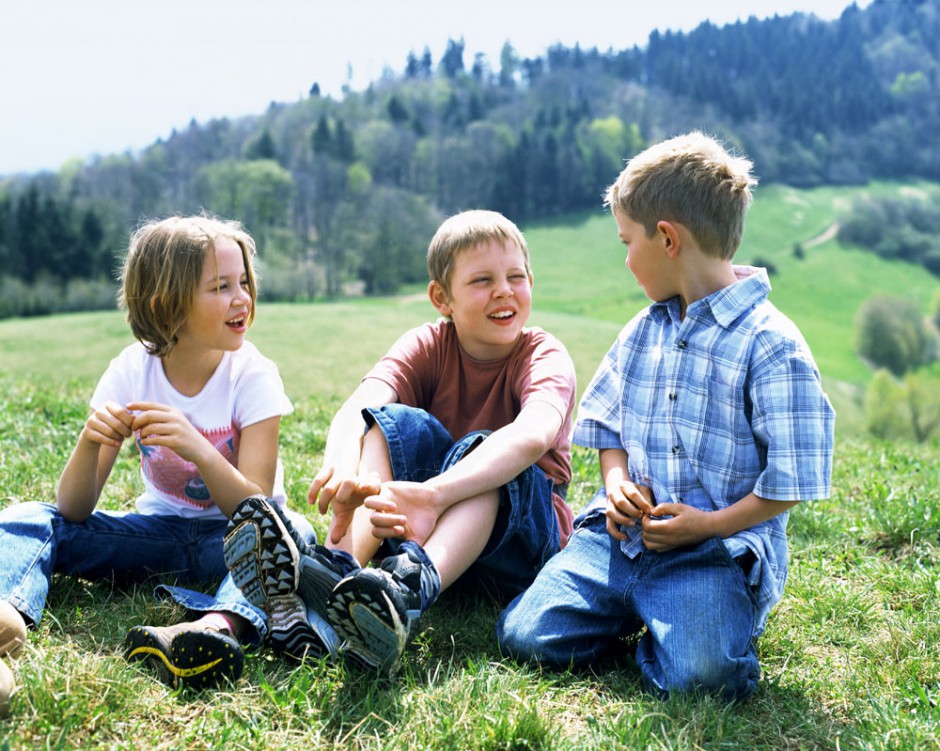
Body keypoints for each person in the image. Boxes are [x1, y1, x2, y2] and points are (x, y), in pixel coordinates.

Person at [495, 132, 836, 702]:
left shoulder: (771, 345)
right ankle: (651, 619)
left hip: (713, 554)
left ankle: (685, 625)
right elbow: (608, 427)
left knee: (701, 680)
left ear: (668, 239)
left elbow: (792, 481)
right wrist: (616, 484)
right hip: (620, 540)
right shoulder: (641, 331)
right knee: (524, 635)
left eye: (628, 242)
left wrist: (708, 525)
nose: (626, 259)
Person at [223, 209, 577, 674]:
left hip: (518, 545)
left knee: (488, 453)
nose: (504, 290)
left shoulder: (543, 354)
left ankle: (407, 591)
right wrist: (343, 468)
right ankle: (340, 567)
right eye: (482, 280)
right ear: (442, 298)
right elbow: (359, 406)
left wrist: (435, 495)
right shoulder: (429, 344)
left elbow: (534, 434)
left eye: (516, 277)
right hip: (420, 526)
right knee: (389, 421)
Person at [0, 215, 306, 704]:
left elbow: (257, 510)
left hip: (234, 544)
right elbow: (73, 510)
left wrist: (199, 448)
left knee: (293, 533)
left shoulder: (253, 376)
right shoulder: (130, 371)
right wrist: (89, 441)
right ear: (167, 306)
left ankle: (214, 628)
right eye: (221, 287)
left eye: (244, 283)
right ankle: (5, 617)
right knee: (31, 518)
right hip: (158, 536)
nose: (242, 299)